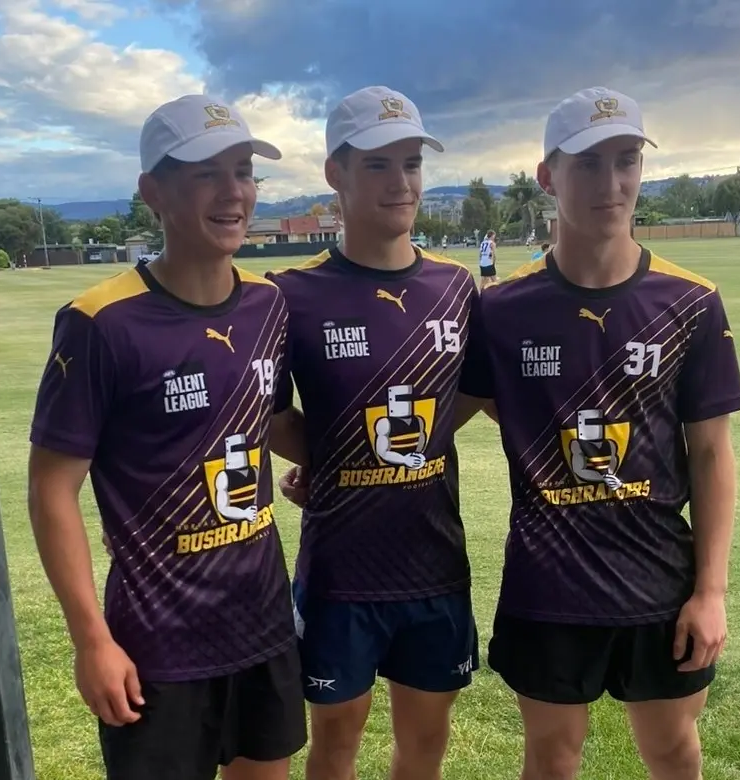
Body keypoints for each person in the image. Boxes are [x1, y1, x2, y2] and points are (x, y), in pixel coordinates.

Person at [459, 86, 740, 780]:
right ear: (548, 176)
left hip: (660, 583)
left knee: (673, 751)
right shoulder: (500, 310)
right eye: (588, 165)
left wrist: (711, 592)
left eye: (626, 161)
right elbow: (456, 415)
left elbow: (710, 455)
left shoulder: (691, 302)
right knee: (552, 758)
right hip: (547, 586)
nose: (612, 183)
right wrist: (324, 464)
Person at [27, 94, 309, 780]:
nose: (234, 192)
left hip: (263, 624)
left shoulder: (268, 303)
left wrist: (338, 463)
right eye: (206, 174)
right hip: (158, 643)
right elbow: (51, 489)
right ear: (152, 191)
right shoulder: (100, 322)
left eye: (243, 171)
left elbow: (268, 422)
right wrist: (90, 639)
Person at [269, 85, 482, 780]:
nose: (401, 182)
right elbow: (268, 411)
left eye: (412, 163)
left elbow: (472, 392)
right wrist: (334, 459)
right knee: (336, 740)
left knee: (425, 744)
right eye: (378, 165)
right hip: (341, 570)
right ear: (336, 173)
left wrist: (398, 450)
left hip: (434, 562)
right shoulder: (290, 293)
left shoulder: (457, 286)